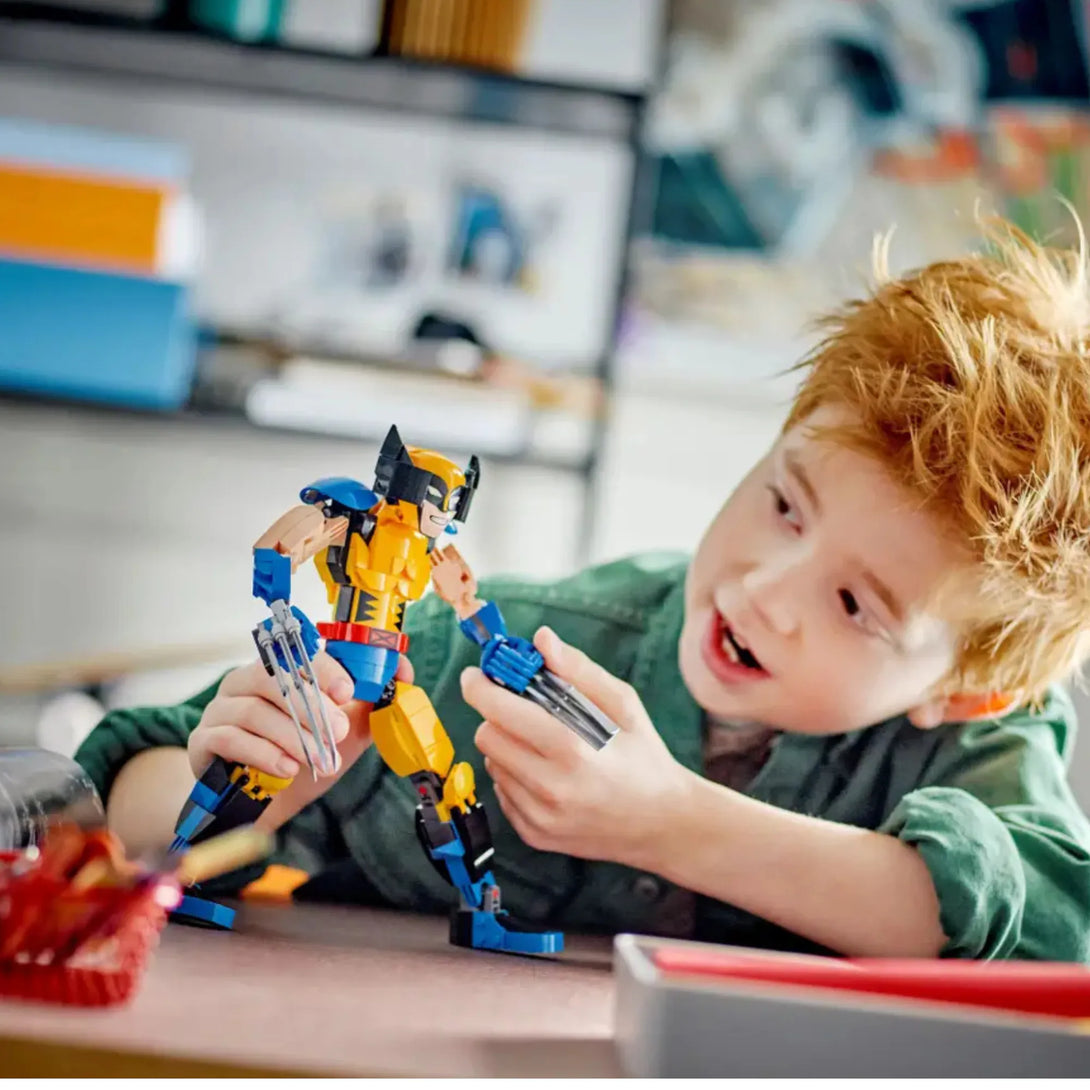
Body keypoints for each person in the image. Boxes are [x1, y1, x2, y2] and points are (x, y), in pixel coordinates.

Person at [77, 217, 1090, 960]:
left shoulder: (985, 739)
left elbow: (1057, 933)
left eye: (854, 603)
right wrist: (243, 779)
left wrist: (668, 821)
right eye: (784, 504)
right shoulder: (486, 648)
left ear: (962, 689)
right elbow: (124, 801)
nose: (765, 588)